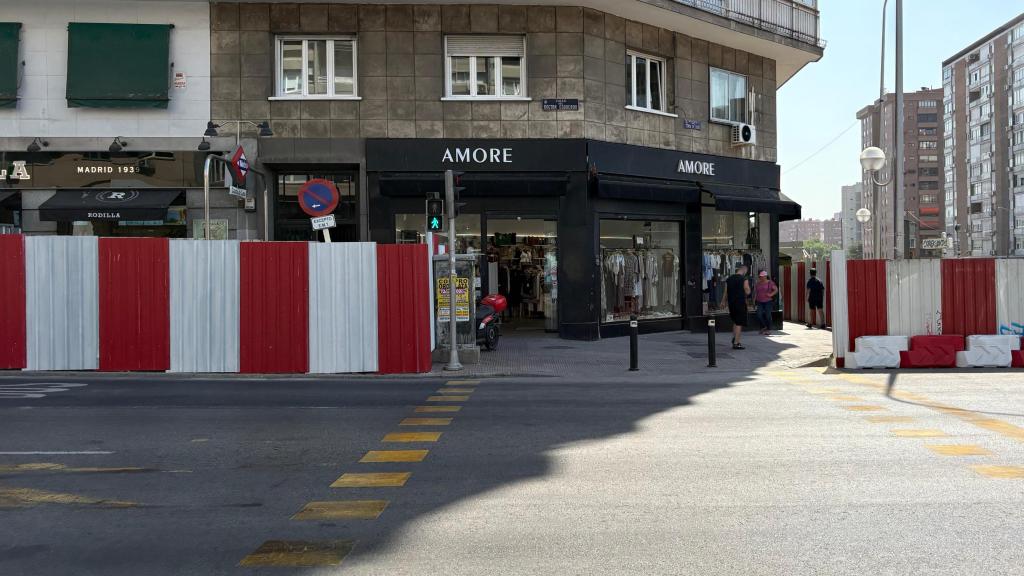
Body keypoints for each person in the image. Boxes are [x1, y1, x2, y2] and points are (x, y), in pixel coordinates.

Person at [720, 263, 751, 350]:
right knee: (739, 323)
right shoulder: (744, 279)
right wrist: (748, 290)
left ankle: (735, 338)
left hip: (731, 303)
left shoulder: (729, 279)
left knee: (735, 321)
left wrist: (723, 302)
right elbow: (747, 291)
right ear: (744, 270)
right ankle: (736, 343)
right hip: (740, 303)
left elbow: (725, 292)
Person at [753, 270, 778, 335]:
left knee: (768, 315)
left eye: (762, 276)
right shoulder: (758, 283)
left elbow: (776, 290)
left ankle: (769, 329)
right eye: (760, 276)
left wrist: (771, 294)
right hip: (759, 301)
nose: (761, 278)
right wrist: (754, 300)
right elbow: (756, 292)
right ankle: (764, 326)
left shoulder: (770, 283)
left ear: (765, 276)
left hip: (768, 301)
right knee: (759, 314)